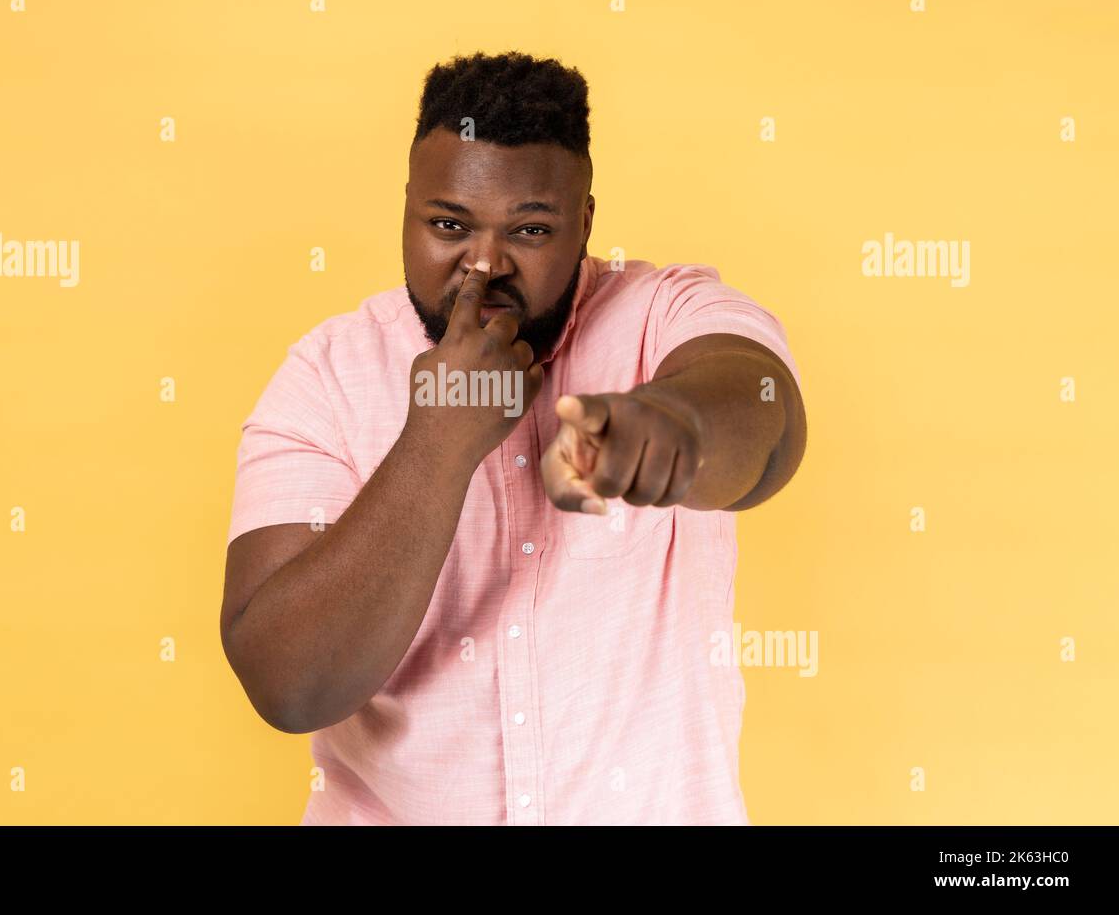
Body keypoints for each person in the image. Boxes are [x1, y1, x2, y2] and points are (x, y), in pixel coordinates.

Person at [221, 50, 808, 825]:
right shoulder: (325, 378)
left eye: (529, 229)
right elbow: (290, 686)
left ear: (585, 222)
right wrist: (437, 442)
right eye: (448, 225)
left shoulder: (664, 314)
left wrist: (674, 426)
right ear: (406, 206)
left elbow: (765, 421)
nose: (484, 264)